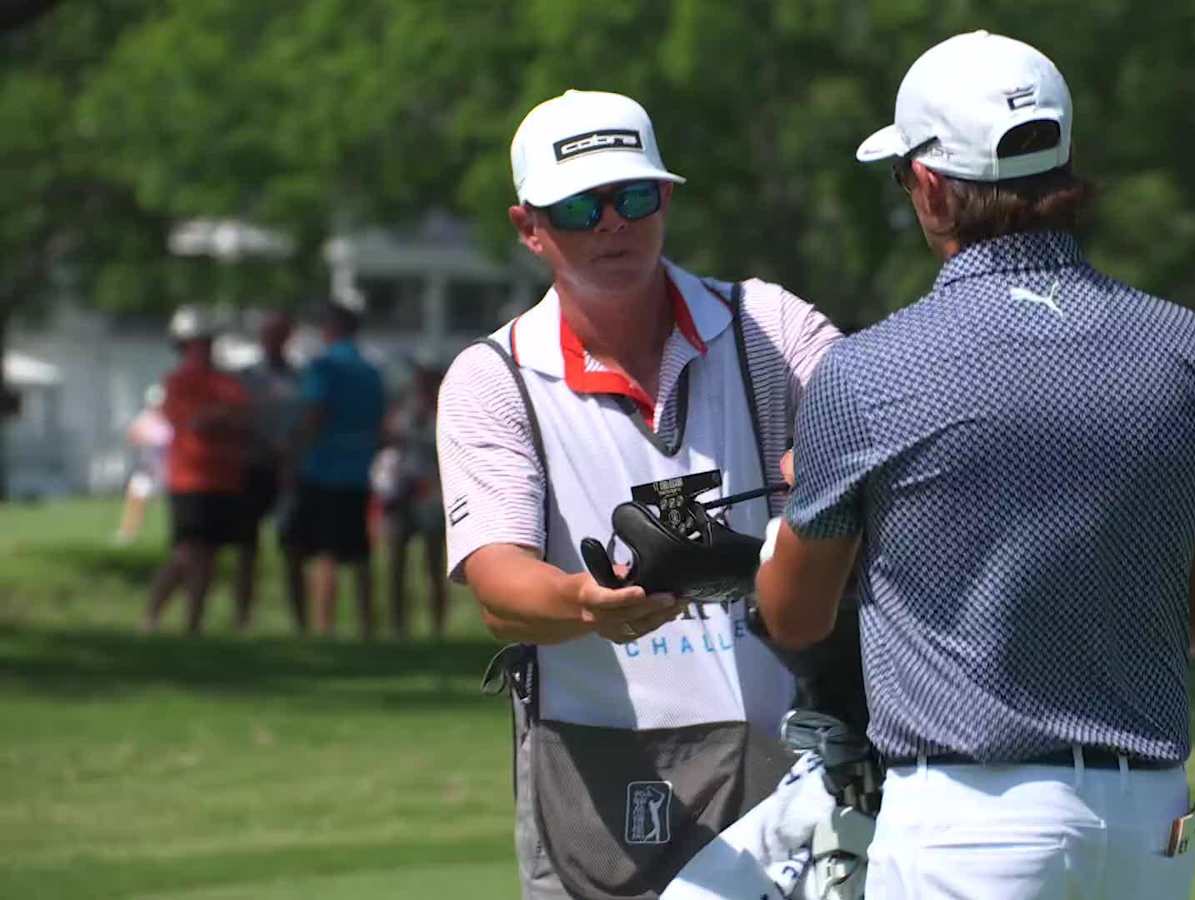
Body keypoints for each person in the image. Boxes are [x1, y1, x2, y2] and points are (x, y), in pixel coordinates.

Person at [754, 31, 1195, 900]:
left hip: (968, 823)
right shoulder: (1185, 347)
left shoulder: (872, 370)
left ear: (931, 187)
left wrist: (816, 509)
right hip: (1149, 826)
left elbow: (793, 617)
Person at [435, 89, 839, 899]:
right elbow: (498, 586)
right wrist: (587, 605)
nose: (612, 223)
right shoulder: (495, 377)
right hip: (600, 767)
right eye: (581, 206)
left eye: (634, 196)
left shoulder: (770, 324)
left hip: (793, 756)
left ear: (668, 198)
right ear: (529, 228)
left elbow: (883, 424)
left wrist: (835, 459)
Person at [281, 300, 386, 638]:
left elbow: (315, 415)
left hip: (323, 468)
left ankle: (322, 627)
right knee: (359, 556)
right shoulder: (371, 372)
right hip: (359, 470)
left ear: (329, 329)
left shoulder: (324, 368)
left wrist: (292, 453)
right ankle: (368, 625)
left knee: (323, 553)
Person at [145, 307, 251, 633]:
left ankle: (194, 622)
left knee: (209, 555)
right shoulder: (176, 383)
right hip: (189, 478)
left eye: (206, 342)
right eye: (195, 343)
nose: (202, 349)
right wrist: (220, 418)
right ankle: (152, 616)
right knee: (187, 553)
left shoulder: (226, 382)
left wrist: (217, 418)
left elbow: (242, 418)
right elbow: (194, 422)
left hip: (224, 479)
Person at [235, 310, 301, 630]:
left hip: (288, 470)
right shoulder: (247, 377)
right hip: (254, 468)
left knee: (293, 548)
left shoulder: (299, 376)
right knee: (247, 548)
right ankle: (242, 617)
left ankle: (300, 620)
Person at [378, 354, 448, 638]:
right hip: (403, 490)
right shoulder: (403, 409)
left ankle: (437, 626)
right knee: (397, 560)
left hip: (432, 492)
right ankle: (398, 624)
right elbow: (387, 437)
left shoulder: (447, 411)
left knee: (433, 563)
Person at [114, 384, 172, 545]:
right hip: (147, 469)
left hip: (168, 469)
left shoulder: (171, 420)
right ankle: (128, 533)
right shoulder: (145, 418)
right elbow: (132, 436)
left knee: (175, 506)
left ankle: (181, 538)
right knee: (135, 499)